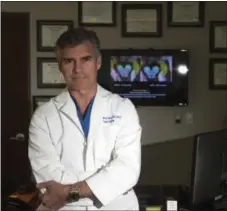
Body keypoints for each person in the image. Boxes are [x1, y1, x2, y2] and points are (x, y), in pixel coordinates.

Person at [28, 27, 142, 211]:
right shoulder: (43, 116)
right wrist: (106, 185)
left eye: (85, 59)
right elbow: (49, 184)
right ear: (60, 66)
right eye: (69, 61)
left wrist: (67, 193)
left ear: (98, 62)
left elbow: (127, 170)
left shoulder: (123, 108)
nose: (77, 69)